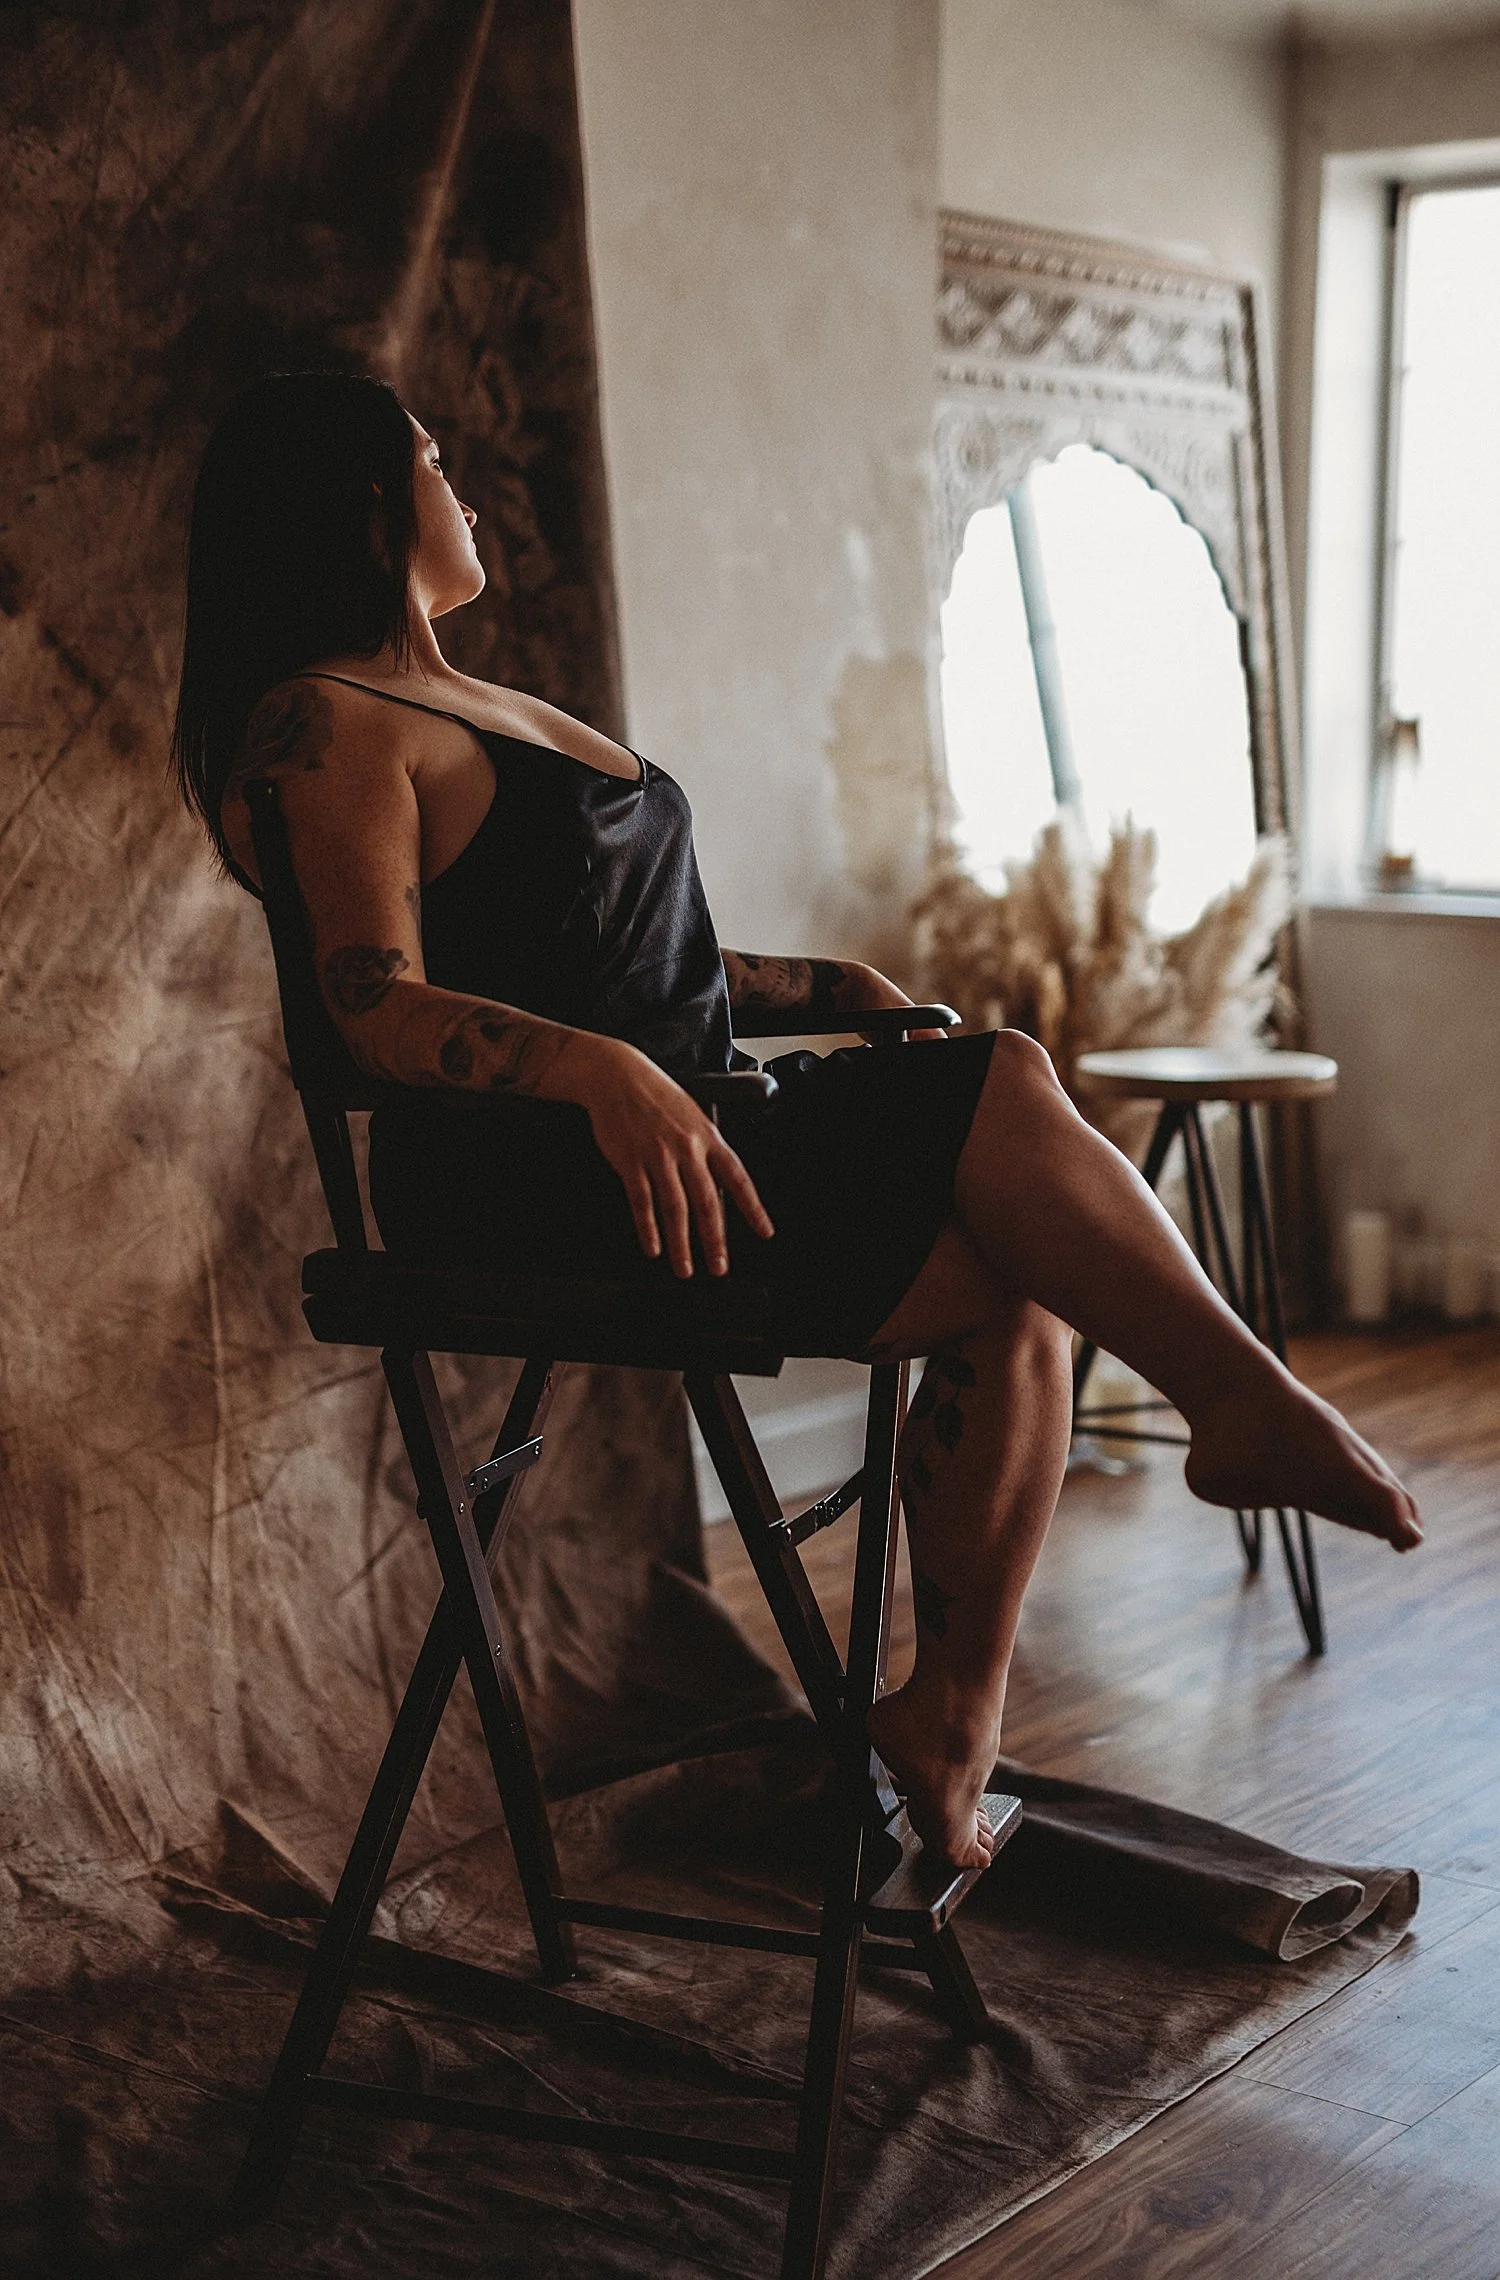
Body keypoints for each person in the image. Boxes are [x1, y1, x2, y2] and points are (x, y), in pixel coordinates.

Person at [175, 373, 1422, 1873]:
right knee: (1008, 1074)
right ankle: (1236, 1403)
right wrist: (598, 1074)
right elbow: (368, 1002)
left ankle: (944, 1727)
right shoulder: (323, 721)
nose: (466, 484)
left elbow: (632, 963)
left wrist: (824, 984)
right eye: (436, 461)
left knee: (1008, 1289)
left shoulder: (465, 700)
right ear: (370, 507)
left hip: (682, 1136)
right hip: (541, 1183)